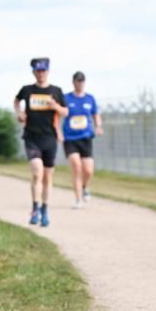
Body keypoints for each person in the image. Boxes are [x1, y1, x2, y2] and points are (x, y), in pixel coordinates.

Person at [14, 58, 68, 227]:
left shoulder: (56, 91)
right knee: (37, 171)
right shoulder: (27, 90)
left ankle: (45, 209)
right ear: (33, 72)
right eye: (38, 71)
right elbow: (16, 101)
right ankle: (35, 208)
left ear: (48, 71)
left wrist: (55, 107)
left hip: (50, 138)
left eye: (44, 70)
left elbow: (65, 112)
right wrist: (20, 113)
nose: (41, 73)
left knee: (47, 176)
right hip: (32, 137)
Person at [63, 71, 102, 208]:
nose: (80, 83)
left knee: (88, 170)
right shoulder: (66, 98)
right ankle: (78, 199)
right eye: (78, 81)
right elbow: (58, 113)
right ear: (73, 82)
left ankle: (84, 186)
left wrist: (98, 126)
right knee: (76, 166)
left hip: (85, 138)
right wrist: (58, 132)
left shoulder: (90, 99)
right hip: (70, 138)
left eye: (82, 81)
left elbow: (95, 114)